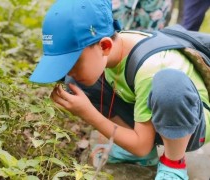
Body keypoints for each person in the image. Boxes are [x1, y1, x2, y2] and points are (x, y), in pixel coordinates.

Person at [29, 0, 210, 179]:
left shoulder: (151, 66)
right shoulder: (114, 49)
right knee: (78, 83)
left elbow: (142, 144)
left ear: (104, 46)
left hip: (190, 124)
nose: (70, 71)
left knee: (169, 85)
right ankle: (142, 156)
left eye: (74, 62)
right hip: (151, 109)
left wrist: (87, 113)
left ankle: (174, 163)